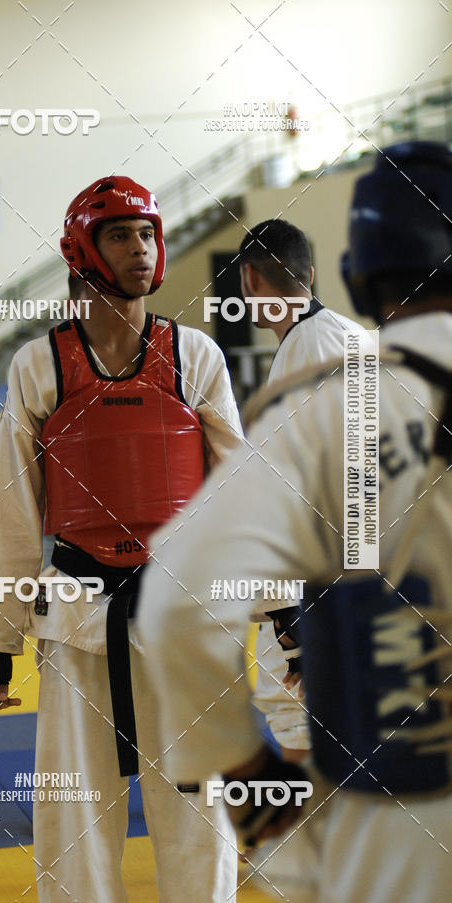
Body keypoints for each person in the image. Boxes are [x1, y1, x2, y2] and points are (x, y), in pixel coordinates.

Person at [137, 141, 452, 903]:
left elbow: (177, 604)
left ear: (354, 275)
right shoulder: (344, 359)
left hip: (399, 811)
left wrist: (249, 785)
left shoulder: (323, 392)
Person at [0, 176, 243, 902]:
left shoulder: (195, 356)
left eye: (148, 232)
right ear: (83, 248)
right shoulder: (40, 365)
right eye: (121, 234)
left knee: (199, 803)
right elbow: (16, 508)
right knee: (74, 811)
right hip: (79, 613)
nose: (142, 249)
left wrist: (275, 605)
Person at [240, 219, 364, 763]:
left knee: (295, 714)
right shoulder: (355, 336)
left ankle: (305, 846)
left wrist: (286, 620)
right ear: (310, 274)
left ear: (249, 281)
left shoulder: (302, 358)